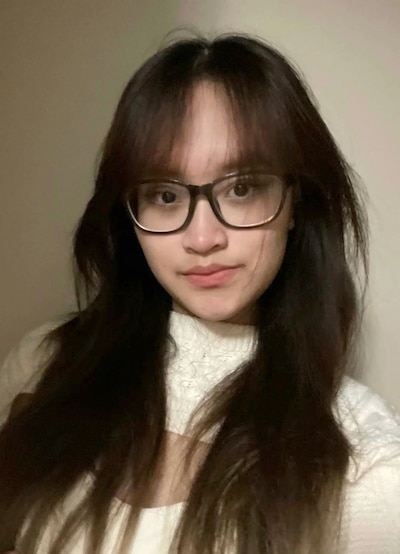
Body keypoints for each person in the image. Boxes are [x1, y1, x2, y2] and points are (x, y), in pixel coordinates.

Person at [0, 33, 399, 554]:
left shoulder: (360, 454)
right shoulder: (44, 363)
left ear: (295, 200)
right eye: (165, 195)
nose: (203, 239)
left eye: (241, 187)